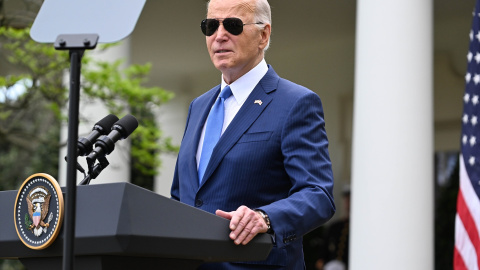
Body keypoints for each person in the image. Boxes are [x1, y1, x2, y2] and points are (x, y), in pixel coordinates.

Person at [170, 0, 335, 269]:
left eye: (233, 25)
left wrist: (265, 217)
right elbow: (181, 197)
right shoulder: (198, 107)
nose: (219, 35)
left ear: (263, 35)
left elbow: (318, 195)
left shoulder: (295, 103)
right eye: (211, 26)